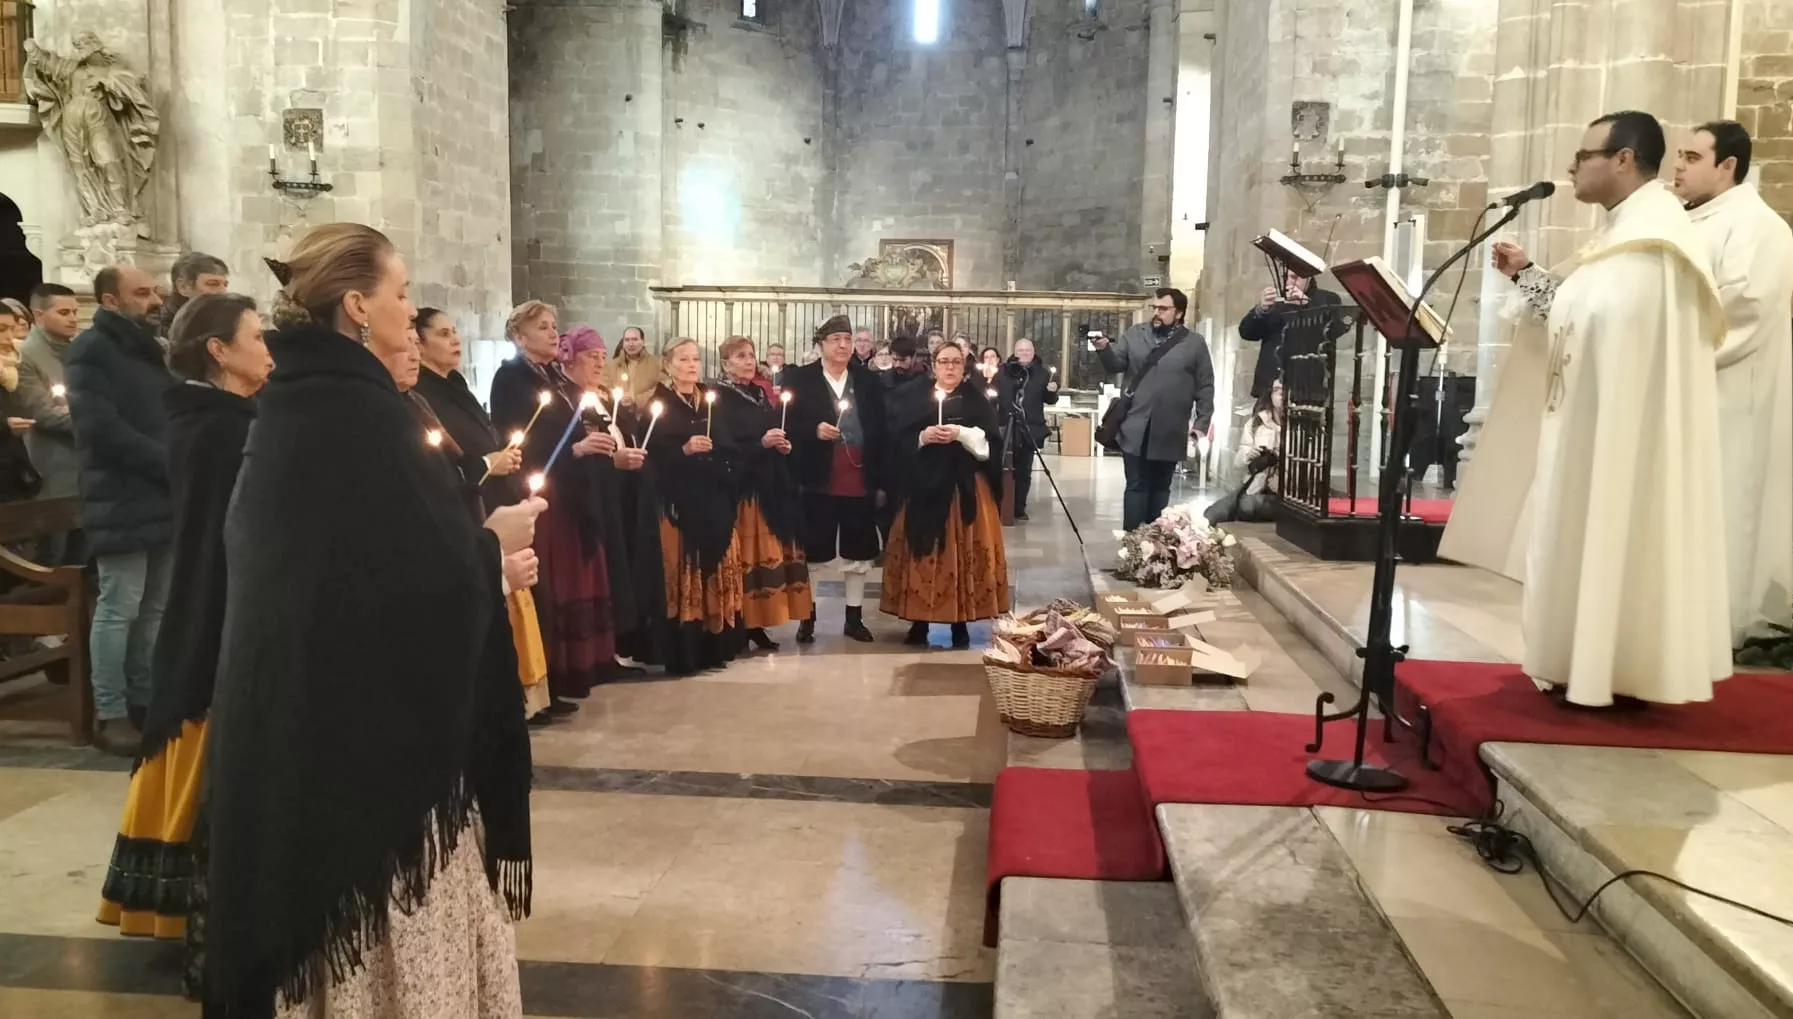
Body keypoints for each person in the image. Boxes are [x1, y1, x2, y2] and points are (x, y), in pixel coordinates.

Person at [205, 223, 541, 1017]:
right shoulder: (358, 416)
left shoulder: (301, 404)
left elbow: (367, 566)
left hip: (307, 720)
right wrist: (491, 550)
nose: (408, 305)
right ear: (357, 305)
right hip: (372, 759)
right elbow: (400, 584)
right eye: (399, 292)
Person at [1467, 110, 1730, 708]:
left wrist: (1554, 298)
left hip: (1623, 437)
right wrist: (1528, 276)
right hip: (1587, 422)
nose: (1572, 167)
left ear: (1623, 159)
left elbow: (1608, 326)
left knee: (1616, 531)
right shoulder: (1619, 236)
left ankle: (1618, 665)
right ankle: (1575, 660)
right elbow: (1581, 312)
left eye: (1584, 155)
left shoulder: (1657, 244)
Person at [95, 293, 268, 993]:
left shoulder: (221, 419)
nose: (268, 349)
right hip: (218, 604)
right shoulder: (219, 428)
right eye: (256, 337)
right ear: (218, 351)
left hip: (210, 596)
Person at [1673, 120, 1793, 647]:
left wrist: (1671, 350)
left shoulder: (1757, 225)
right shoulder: (1691, 220)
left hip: (1728, 394)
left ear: (1728, 166)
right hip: (1685, 388)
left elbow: (1745, 310)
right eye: (1678, 155)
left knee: (1723, 508)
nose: (1678, 166)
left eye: (1692, 157)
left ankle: (1713, 628)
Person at [405, 312, 554, 727]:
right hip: (464, 508)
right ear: (417, 343)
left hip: (489, 497)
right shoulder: (421, 393)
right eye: (443, 334)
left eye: (456, 332)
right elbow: (437, 459)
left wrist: (501, 457)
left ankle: (523, 689)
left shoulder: (454, 387)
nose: (455, 340)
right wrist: (488, 461)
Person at [67, 265, 175, 755]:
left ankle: (144, 700)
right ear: (110, 301)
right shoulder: (92, 349)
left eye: (155, 291)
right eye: (141, 292)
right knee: (119, 607)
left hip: (160, 492)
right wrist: (166, 459)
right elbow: (99, 428)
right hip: (121, 492)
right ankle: (109, 713)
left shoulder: (148, 348)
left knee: (153, 608)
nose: (154, 300)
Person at [491, 302, 619, 708]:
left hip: (573, 490)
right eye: (542, 327)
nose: (552, 333)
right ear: (519, 335)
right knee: (555, 583)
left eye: (553, 326)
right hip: (546, 490)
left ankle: (589, 662)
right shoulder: (511, 378)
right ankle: (558, 671)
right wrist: (576, 449)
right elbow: (521, 438)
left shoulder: (552, 377)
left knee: (580, 577)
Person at [882, 342, 1010, 648]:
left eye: (955, 362)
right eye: (944, 362)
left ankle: (961, 622)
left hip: (964, 487)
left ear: (964, 366)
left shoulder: (975, 399)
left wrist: (961, 434)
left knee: (963, 552)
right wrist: (923, 436)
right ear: (934, 365)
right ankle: (919, 621)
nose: (950, 367)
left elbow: (991, 442)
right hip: (923, 487)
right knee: (922, 552)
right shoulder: (915, 397)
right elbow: (898, 439)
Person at [636, 338, 746, 672]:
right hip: (678, 503)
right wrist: (683, 450)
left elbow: (728, 443)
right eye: (683, 359)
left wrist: (718, 456)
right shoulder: (659, 403)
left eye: (696, 359)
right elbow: (648, 453)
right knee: (684, 572)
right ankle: (684, 650)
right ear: (668, 365)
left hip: (712, 498)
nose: (691, 365)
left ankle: (715, 645)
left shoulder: (709, 401)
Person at [786, 315, 889, 644]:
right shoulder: (800, 379)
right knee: (815, 548)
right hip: (817, 474)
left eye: (847, 339)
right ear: (821, 344)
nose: (843, 345)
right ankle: (808, 618)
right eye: (835, 340)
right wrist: (813, 430)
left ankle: (854, 618)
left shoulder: (867, 380)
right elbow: (787, 423)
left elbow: (881, 425)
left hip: (858, 471)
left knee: (858, 548)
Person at [557, 325, 649, 671]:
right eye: (590, 358)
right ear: (569, 359)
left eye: (600, 357)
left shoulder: (606, 396)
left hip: (619, 494)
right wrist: (615, 460)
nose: (598, 364)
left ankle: (616, 646)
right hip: (590, 496)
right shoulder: (568, 398)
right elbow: (584, 450)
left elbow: (620, 436)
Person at [715, 335, 811, 649]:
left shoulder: (758, 391)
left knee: (771, 553)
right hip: (743, 488)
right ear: (725, 364)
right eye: (739, 356)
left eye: (751, 355)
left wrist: (783, 444)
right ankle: (742, 624)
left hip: (769, 483)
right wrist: (760, 445)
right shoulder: (718, 396)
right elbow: (724, 443)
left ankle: (758, 624)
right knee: (747, 557)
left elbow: (771, 427)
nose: (747, 360)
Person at [1092, 288, 1215, 531]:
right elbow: (1116, 364)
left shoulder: (1194, 344)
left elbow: (1205, 385)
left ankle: (1153, 543)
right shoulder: (1135, 334)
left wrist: (1201, 424)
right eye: (1154, 308)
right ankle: (1131, 546)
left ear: (1178, 313)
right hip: (1135, 425)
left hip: (1170, 428)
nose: (1156, 313)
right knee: (1136, 484)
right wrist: (1104, 348)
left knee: (1160, 487)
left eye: (1163, 309)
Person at [19, 284, 84, 539]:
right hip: (53, 464)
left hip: (84, 460)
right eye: (64, 312)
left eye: (75, 312)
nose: (73, 319)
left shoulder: (77, 348)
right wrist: (94, 417)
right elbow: (43, 414)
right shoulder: (27, 355)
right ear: (38, 315)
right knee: (57, 547)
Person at [1237, 270, 1346, 399]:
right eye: (1285, 277)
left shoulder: (1328, 299)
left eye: (1294, 277)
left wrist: (1307, 306)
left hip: (1308, 387)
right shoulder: (1276, 303)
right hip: (1271, 386)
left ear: (1308, 278)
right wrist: (1260, 310)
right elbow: (1247, 333)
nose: (1289, 282)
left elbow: (1336, 330)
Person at [996, 338, 1060, 521]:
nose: (1024, 354)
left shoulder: (1042, 373)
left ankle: (1019, 507)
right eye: (1021, 350)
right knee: (1004, 467)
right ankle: (1003, 503)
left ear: (1033, 352)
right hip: (1006, 425)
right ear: (1015, 352)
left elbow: (1050, 400)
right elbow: (993, 393)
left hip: (1029, 426)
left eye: (1028, 351)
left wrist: (1052, 391)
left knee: (1024, 470)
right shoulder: (1004, 371)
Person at [1205, 381, 1283, 524]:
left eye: (1283, 390)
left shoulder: (1303, 429)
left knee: (1247, 506)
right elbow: (1237, 464)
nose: (1279, 395)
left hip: (1284, 495)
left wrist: (1284, 483)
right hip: (1254, 487)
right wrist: (1249, 455)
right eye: (1276, 390)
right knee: (1215, 513)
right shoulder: (1256, 423)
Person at [158, 251, 229, 338]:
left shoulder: (223, 321)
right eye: (212, 284)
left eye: (225, 285)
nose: (223, 292)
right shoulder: (159, 328)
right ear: (183, 287)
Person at [603, 323, 660, 405]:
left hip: (645, 412)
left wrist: (637, 400)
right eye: (627, 340)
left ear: (643, 342)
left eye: (635, 339)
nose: (631, 344)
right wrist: (617, 397)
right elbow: (604, 387)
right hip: (617, 411)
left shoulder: (656, 363)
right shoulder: (611, 365)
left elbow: (660, 388)